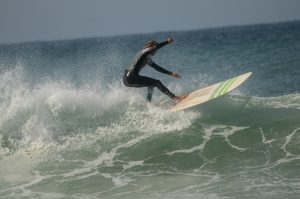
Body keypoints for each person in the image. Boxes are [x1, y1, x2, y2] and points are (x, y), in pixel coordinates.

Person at [123, 37, 186, 102]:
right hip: (131, 77)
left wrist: (171, 73)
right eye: (155, 49)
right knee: (157, 83)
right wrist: (167, 42)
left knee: (151, 84)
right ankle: (175, 98)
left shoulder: (147, 57)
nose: (156, 51)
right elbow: (156, 47)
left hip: (126, 79)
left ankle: (148, 104)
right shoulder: (145, 51)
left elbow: (157, 68)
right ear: (152, 47)